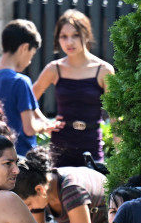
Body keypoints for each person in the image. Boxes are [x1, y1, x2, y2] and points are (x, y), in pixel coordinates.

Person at [31, 10, 116, 168]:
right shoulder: (54, 69)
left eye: (75, 35)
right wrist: (44, 123)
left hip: (91, 144)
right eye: (63, 36)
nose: (69, 42)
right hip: (60, 146)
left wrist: (120, 150)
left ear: (86, 34)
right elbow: (27, 100)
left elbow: (115, 115)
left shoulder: (104, 70)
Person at [0, 19, 55, 157]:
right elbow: (29, 128)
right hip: (20, 158)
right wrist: (44, 127)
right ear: (24, 48)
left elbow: (34, 109)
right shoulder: (21, 82)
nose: (30, 61)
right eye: (31, 55)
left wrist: (47, 122)